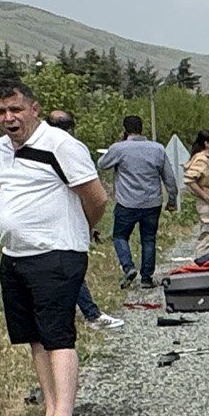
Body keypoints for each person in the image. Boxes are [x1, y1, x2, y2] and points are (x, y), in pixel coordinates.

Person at [0, 77, 107, 416]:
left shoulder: (61, 145)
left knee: (58, 335)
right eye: (0, 111)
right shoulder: (0, 149)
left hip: (56, 253)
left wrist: (80, 232)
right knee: (35, 336)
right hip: (15, 254)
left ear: (34, 108)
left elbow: (96, 197)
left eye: (16, 109)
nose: (9, 118)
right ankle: (49, 410)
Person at [48, 112, 128, 334]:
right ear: (72, 127)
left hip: (42, 224)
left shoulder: (32, 146)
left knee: (57, 273)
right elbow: (95, 195)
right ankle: (91, 314)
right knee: (70, 272)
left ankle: (80, 313)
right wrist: (88, 223)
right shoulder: (70, 147)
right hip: (65, 222)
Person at [100, 113, 174, 288]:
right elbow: (169, 177)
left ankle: (128, 267)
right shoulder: (158, 149)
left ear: (125, 130)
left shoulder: (119, 148)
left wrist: (118, 144)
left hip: (127, 203)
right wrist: (172, 199)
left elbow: (101, 164)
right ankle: (147, 278)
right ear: (142, 128)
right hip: (152, 203)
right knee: (148, 239)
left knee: (119, 236)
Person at [182, 129, 209, 258]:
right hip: (206, 201)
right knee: (208, 231)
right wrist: (205, 196)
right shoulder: (201, 159)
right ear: (206, 143)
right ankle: (203, 258)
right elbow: (189, 179)